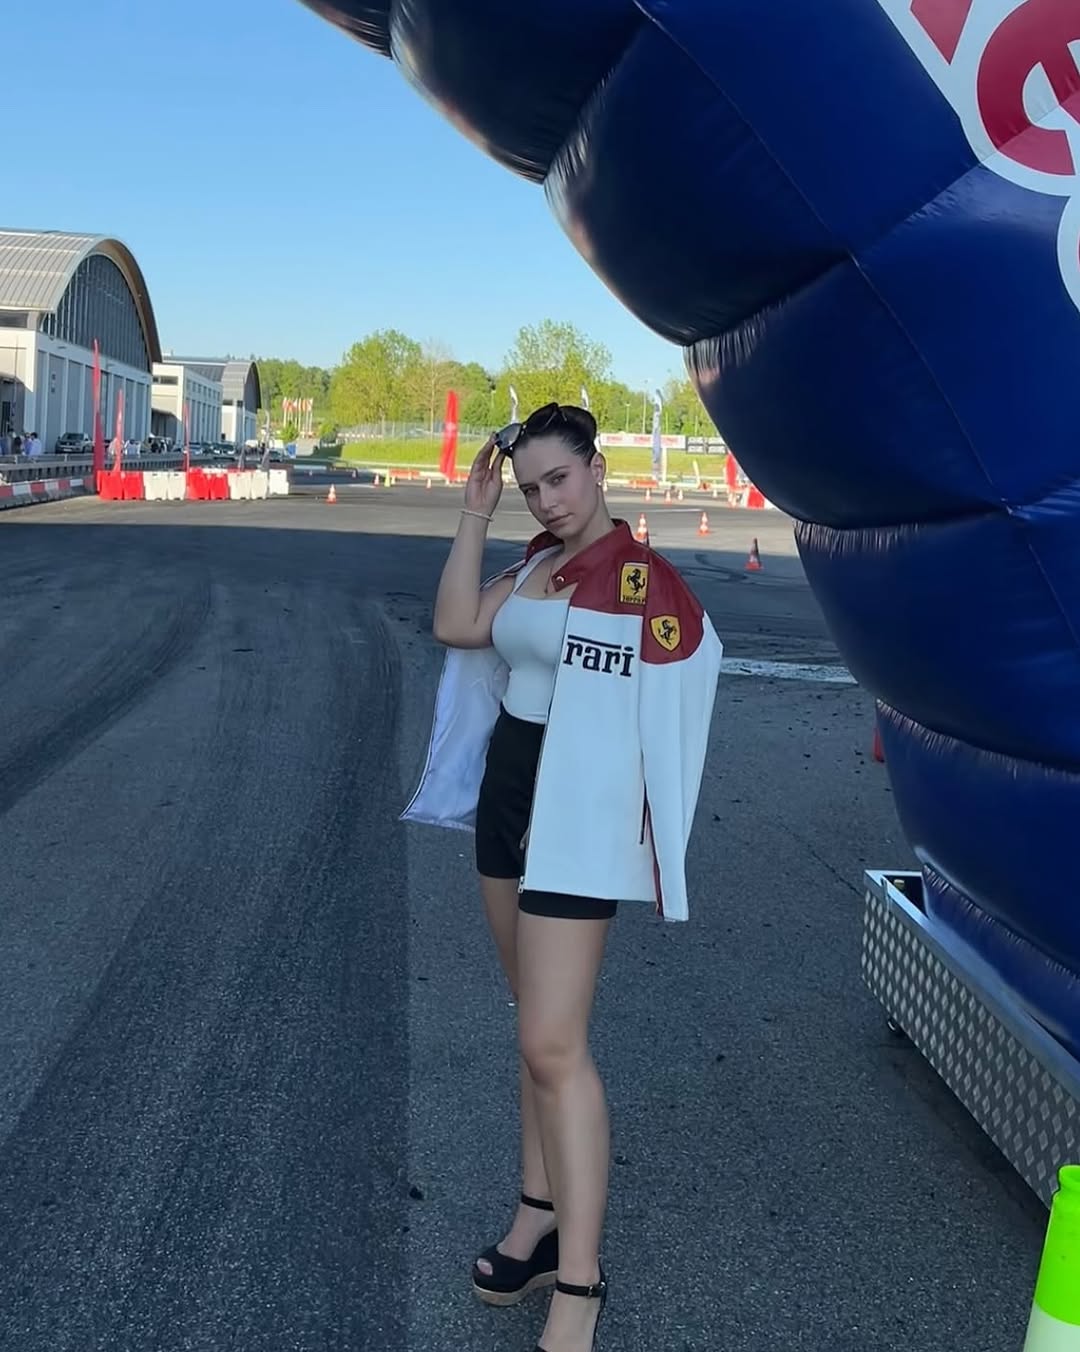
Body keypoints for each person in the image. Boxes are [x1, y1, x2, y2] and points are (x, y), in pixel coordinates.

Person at [403, 402, 722, 1352]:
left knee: (554, 1043)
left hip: (577, 818)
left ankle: (580, 1283)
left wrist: (645, 828)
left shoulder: (639, 578)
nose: (547, 500)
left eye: (560, 479)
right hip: (509, 800)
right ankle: (538, 1218)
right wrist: (475, 511)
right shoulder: (535, 564)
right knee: (533, 1029)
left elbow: (687, 682)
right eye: (530, 487)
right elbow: (456, 623)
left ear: (598, 467)